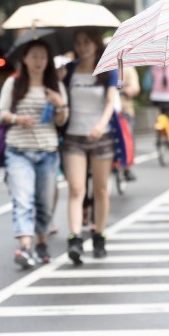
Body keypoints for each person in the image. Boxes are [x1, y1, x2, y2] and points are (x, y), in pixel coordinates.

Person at [0, 39, 68, 268]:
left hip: (47, 151)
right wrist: (18, 119)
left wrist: (60, 106)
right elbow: (2, 113)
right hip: (18, 150)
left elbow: (61, 121)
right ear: (24, 59)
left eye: (43, 56)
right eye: (34, 56)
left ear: (48, 60)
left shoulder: (55, 85)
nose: (39, 61)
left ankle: (42, 243)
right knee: (22, 200)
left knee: (45, 204)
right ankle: (25, 247)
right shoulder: (14, 83)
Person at [61, 27, 117, 265]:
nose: (82, 47)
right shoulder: (69, 70)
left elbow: (111, 101)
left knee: (101, 190)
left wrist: (101, 124)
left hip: (101, 137)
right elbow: (60, 100)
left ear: (95, 44)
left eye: (86, 42)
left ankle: (99, 235)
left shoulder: (106, 70)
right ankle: (75, 238)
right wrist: (58, 78)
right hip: (73, 137)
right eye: (78, 42)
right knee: (76, 189)